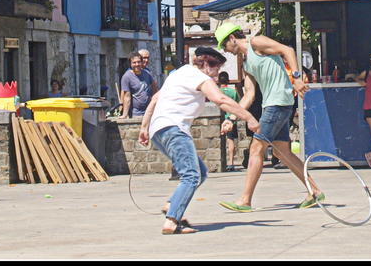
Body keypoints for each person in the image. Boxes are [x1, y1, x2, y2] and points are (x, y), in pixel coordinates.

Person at [138, 47, 259, 235]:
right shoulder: (199, 77)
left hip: (158, 130)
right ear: (206, 65)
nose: (217, 75)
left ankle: (172, 204)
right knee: (191, 175)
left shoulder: (178, 74)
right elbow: (220, 99)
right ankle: (172, 221)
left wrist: (144, 127)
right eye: (216, 69)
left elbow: (155, 99)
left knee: (200, 172)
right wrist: (249, 118)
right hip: (174, 128)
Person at [215, 23, 324, 212]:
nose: (225, 50)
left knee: (256, 148)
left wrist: (297, 78)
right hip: (274, 104)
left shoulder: (256, 42)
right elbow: (249, 94)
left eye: (224, 45)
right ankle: (314, 191)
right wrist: (231, 117)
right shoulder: (247, 62)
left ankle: (245, 200)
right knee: (281, 152)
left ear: (232, 38)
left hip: (278, 102)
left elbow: (287, 50)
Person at [120, 51, 159, 118]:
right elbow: (127, 97)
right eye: (134, 62)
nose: (137, 64)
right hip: (135, 113)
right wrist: (124, 114)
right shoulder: (127, 77)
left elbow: (155, 90)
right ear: (130, 64)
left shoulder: (147, 74)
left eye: (138, 62)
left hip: (148, 112)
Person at [218, 71, 240, 171]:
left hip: (220, 119)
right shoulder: (233, 92)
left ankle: (223, 162)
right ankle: (231, 162)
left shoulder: (217, 91)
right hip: (231, 119)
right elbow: (238, 103)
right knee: (231, 141)